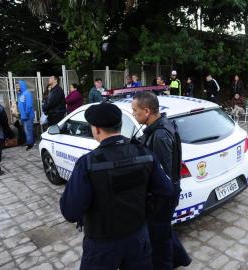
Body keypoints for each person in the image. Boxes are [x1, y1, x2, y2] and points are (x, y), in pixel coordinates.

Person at [60, 102, 174, 270]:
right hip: (138, 238)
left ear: (96, 129)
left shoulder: (88, 163)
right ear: (119, 126)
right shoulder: (144, 153)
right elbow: (167, 191)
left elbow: (70, 211)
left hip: (102, 245)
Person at [132, 92, 191, 269]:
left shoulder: (159, 135)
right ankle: (181, 258)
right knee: (163, 231)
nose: (134, 114)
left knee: (159, 241)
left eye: (135, 111)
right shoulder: (162, 126)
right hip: (165, 195)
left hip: (161, 198)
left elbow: (162, 174)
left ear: (147, 111)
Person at [17, 80, 35, 150]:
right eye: (16, 86)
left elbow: (29, 105)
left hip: (28, 116)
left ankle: (30, 143)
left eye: (18, 86)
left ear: (22, 85)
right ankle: (28, 141)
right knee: (26, 130)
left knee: (28, 129)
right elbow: (20, 104)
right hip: (23, 116)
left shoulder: (27, 93)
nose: (17, 87)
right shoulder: (21, 94)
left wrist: (26, 114)